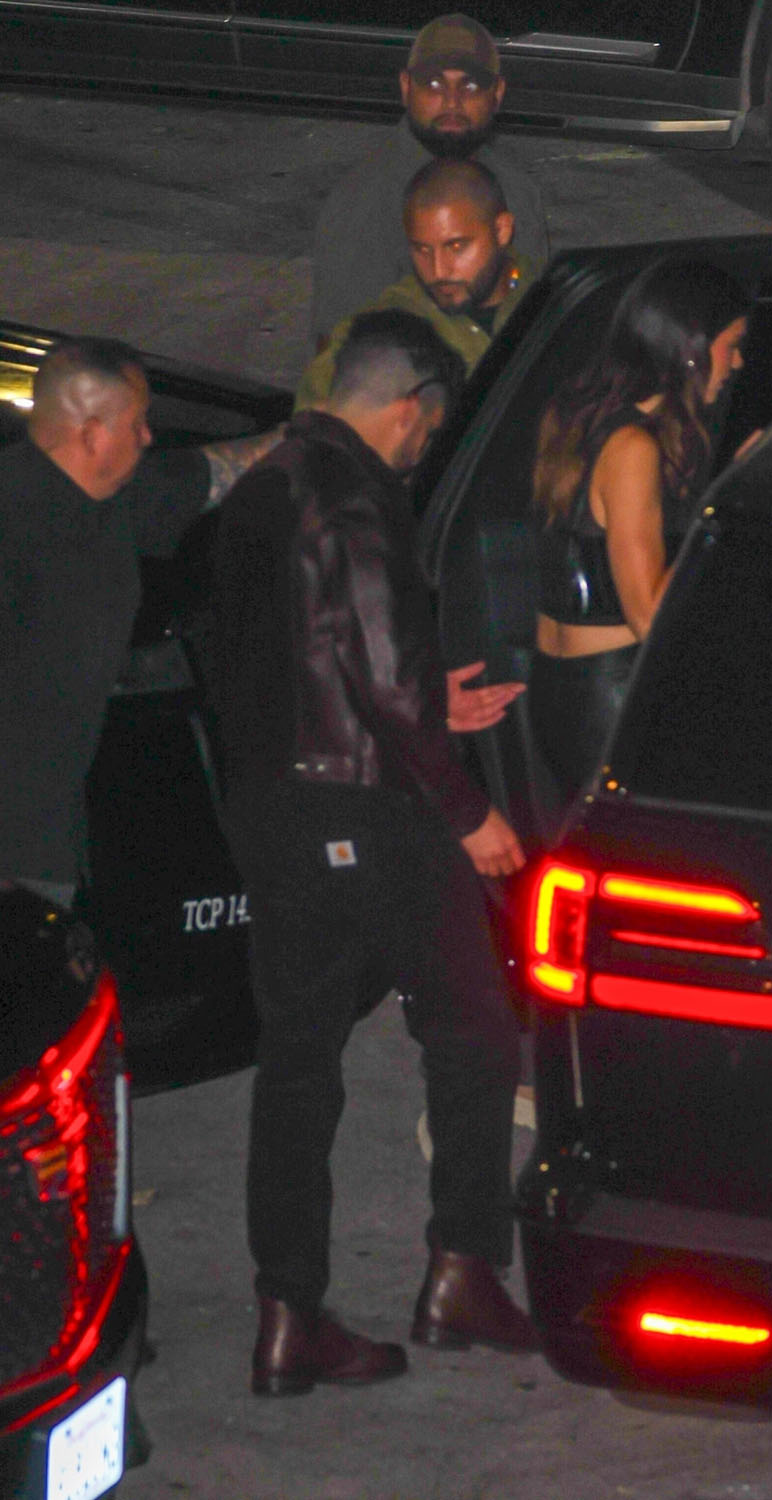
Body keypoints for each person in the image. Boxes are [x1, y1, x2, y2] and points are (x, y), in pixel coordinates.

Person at [211, 309, 538, 1397]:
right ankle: (462, 1270)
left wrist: (425, 705)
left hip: (272, 810)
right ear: (407, 408)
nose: (419, 448)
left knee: (296, 1062)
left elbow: (305, 656)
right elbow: (382, 672)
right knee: (473, 1024)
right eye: (425, 430)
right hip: (361, 808)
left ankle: (286, 1316)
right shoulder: (354, 494)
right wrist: (466, 808)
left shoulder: (264, 484)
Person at [0, 336, 287, 908]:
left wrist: (307, 435)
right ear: (92, 433)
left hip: (46, 846)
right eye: (137, 423)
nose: (149, 436)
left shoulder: (115, 504)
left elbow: (214, 472)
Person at [529, 261, 753, 802]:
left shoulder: (575, 418)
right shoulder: (633, 448)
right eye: (732, 346)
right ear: (691, 348)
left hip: (559, 689)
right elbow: (649, 615)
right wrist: (732, 491)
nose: (738, 363)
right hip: (610, 694)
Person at [310, 11, 549, 352]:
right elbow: (338, 351)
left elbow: (535, 311)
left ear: (497, 94)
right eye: (434, 84)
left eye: (470, 85)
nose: (452, 102)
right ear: (406, 87)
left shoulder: (517, 190)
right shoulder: (367, 201)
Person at [297, 157, 536, 409]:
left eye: (456, 246)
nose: (438, 270)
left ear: (501, 230)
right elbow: (317, 422)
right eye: (422, 250)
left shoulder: (549, 296)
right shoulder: (381, 334)